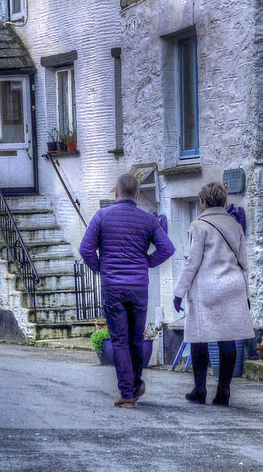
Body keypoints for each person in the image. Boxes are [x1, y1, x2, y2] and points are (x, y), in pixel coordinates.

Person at [79, 174, 175, 408]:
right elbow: (167, 248)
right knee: (136, 338)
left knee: (120, 340)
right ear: (137, 194)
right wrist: (147, 262)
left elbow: (86, 249)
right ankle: (136, 384)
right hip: (138, 287)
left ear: (116, 192)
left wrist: (100, 268)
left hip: (113, 287)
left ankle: (127, 393)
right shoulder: (147, 219)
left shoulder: (102, 216)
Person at [173, 182, 255, 406]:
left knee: (199, 338)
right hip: (233, 286)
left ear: (203, 202)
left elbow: (192, 262)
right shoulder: (235, 225)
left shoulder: (198, 225)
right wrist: (246, 295)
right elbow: (244, 263)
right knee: (227, 338)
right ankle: (223, 391)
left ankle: (199, 390)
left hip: (208, 288)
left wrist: (179, 292)